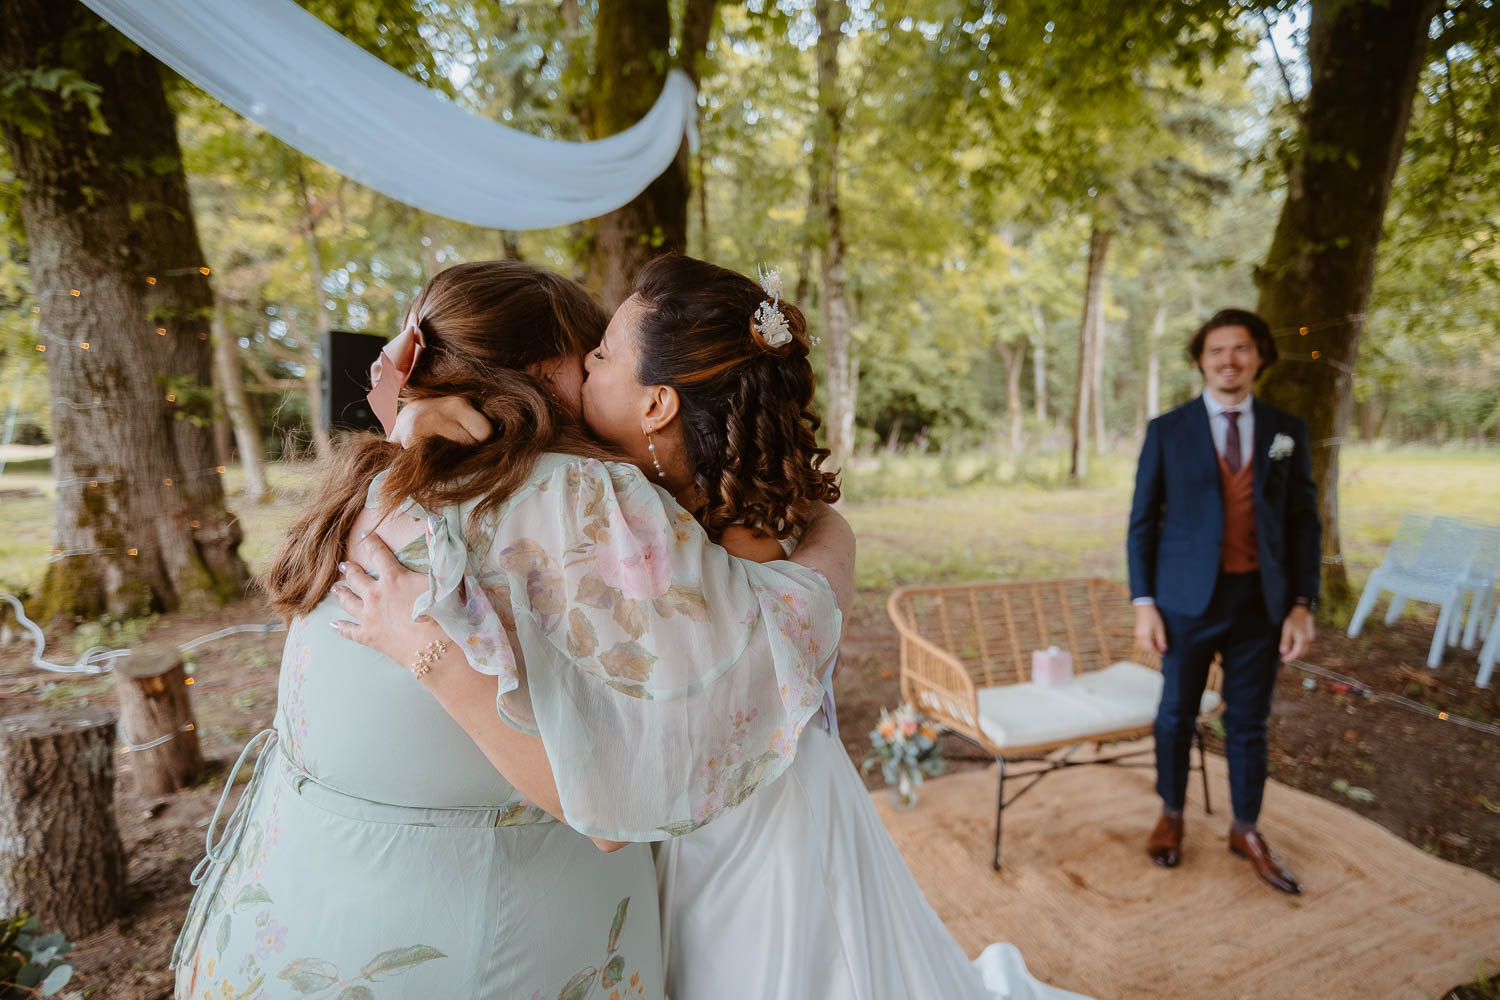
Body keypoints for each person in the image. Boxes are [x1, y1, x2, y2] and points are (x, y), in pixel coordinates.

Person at [346, 254, 1088, 1000]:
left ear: (657, 406)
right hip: (740, 814)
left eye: (601, 355)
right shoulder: (658, 499)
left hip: (757, 841)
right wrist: (412, 418)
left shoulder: (657, 526)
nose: (575, 372)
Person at [171, 260, 853, 1000]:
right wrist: (831, 533)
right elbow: (765, 632)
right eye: (588, 352)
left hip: (294, 902)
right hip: (478, 929)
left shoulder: (379, 474)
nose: (595, 372)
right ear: (540, 371)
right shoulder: (576, 495)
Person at [1127, 308, 1320, 894]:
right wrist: (1145, 602)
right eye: (1217, 350)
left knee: (1248, 722)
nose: (1228, 359)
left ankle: (1246, 828)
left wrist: (1302, 605)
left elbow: (1305, 523)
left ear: (1259, 356)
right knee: (1175, 715)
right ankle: (1172, 814)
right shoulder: (1168, 429)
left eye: (1241, 348)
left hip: (1261, 603)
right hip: (1185, 601)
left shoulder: (1287, 429)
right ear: (1202, 360)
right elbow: (1142, 523)